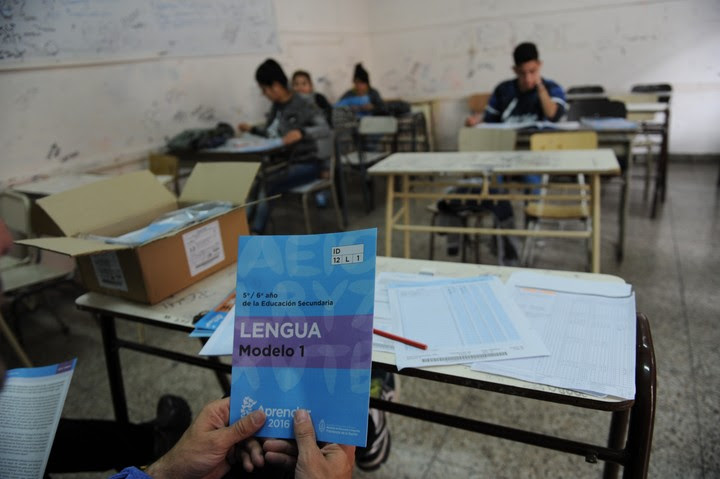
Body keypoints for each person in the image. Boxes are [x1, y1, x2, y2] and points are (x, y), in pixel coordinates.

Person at [238, 58, 330, 235]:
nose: (264, 94)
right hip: (282, 163)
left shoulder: (304, 103)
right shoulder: (276, 107)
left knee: (268, 185)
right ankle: (242, 228)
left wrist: (302, 132)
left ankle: (255, 233)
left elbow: (324, 128)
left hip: (307, 164)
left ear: (276, 86)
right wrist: (252, 130)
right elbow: (272, 134)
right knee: (255, 182)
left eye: (264, 89)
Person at [466, 42, 567, 126]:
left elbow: (553, 115)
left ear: (539, 65)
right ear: (515, 70)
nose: (528, 79)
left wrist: (540, 87)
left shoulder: (552, 88)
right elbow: (491, 120)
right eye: (522, 73)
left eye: (532, 71)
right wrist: (477, 121)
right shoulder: (503, 90)